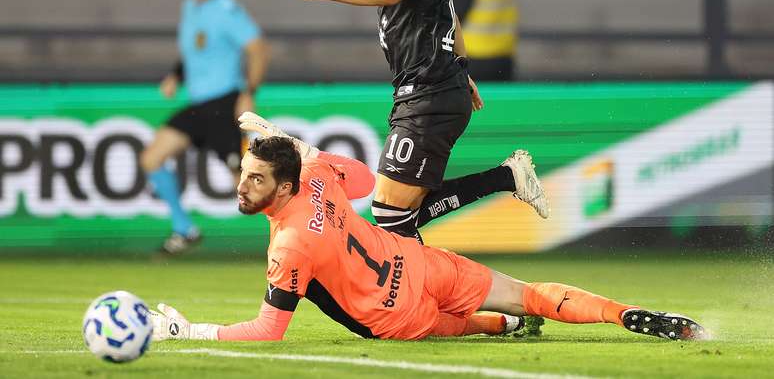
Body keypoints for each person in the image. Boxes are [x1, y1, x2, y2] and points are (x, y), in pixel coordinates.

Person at [149, 122, 707, 342]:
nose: (242, 188)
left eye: (256, 179)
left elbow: (270, 331)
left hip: (397, 316)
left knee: (465, 328)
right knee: (531, 292)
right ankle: (629, 316)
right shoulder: (315, 175)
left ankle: (504, 325)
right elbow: (366, 181)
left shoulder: (288, 245)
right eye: (244, 176)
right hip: (420, 265)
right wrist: (301, 147)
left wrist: (189, 331)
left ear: (285, 188)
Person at [268, 0, 547, 245]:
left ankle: (503, 184)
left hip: (428, 95)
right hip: (431, 91)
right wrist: (460, 69)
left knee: (389, 212)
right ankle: (429, 289)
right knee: (396, 217)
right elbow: (451, 16)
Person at [139, 0, 269, 255]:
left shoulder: (226, 9)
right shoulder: (190, 8)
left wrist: (248, 92)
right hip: (198, 106)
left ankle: (295, 240)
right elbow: (194, 53)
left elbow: (258, 49)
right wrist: (175, 75)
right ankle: (184, 228)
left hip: (224, 104)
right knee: (151, 158)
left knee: (246, 183)